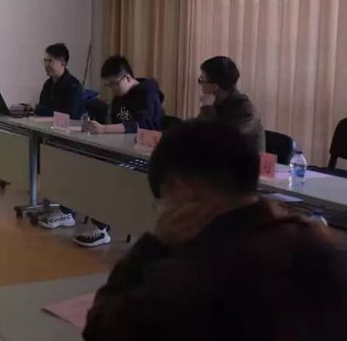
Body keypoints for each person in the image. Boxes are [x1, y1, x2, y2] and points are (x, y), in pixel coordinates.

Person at [83, 120, 347, 341]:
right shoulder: (324, 247)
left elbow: (101, 329)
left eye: (162, 202)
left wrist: (153, 244)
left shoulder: (190, 275)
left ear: (180, 190)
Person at [75, 55, 165, 247]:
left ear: (127, 78)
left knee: (107, 172)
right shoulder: (119, 98)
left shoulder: (148, 93)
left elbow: (141, 124)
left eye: (114, 83)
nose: (112, 89)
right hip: (123, 149)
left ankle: (101, 227)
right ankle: (94, 219)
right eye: (108, 85)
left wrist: (105, 129)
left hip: (145, 155)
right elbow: (117, 124)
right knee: (93, 163)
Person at [197, 55, 265, 153]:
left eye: (201, 80)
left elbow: (215, 141)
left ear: (215, 87)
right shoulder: (217, 104)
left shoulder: (245, 111)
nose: (201, 85)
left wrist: (206, 108)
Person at [34, 43, 84, 119]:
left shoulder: (74, 86)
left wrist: (41, 110)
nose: (46, 65)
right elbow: (41, 109)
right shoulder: (48, 84)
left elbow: (70, 115)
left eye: (50, 61)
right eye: (45, 61)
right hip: (46, 124)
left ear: (62, 63)